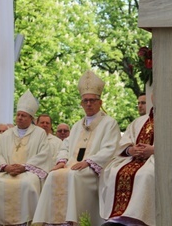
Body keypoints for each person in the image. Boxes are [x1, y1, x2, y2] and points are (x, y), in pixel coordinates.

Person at [33, 70, 121, 226]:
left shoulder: (109, 123)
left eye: (92, 100)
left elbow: (109, 149)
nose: (88, 104)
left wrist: (88, 162)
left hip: (94, 170)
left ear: (100, 102)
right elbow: (65, 146)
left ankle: (75, 221)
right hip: (72, 165)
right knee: (53, 175)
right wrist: (62, 161)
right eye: (85, 100)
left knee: (74, 176)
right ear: (81, 103)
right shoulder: (76, 125)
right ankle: (52, 222)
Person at [0, 90, 55, 226]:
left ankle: (28, 222)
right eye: (18, 115)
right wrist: (6, 166)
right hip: (6, 171)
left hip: (28, 172)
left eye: (23, 115)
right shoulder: (7, 134)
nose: (19, 117)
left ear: (31, 118)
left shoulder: (39, 134)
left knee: (28, 185)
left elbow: (43, 155)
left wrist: (24, 166)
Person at [99, 96, 155, 226]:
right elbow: (124, 142)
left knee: (145, 174)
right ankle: (118, 217)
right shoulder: (139, 121)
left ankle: (138, 220)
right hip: (133, 159)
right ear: (153, 97)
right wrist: (131, 150)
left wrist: (153, 150)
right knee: (114, 171)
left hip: (156, 159)